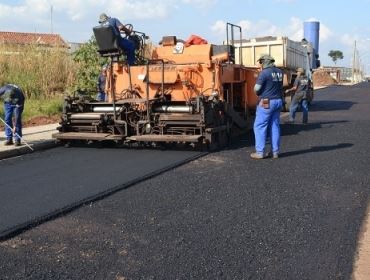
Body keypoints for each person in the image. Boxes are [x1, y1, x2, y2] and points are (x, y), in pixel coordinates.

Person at [250, 54, 283, 159]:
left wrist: (257, 91)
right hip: (278, 101)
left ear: (265, 62)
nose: (260, 64)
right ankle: (275, 152)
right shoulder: (280, 72)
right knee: (275, 126)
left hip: (266, 101)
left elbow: (256, 89)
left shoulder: (264, 73)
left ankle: (260, 152)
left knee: (260, 125)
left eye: (261, 62)